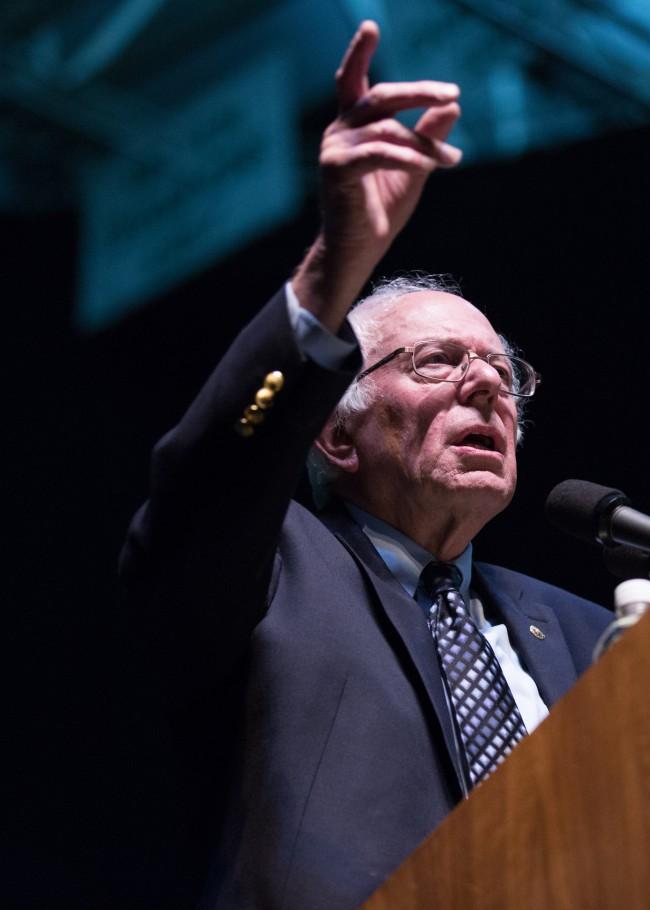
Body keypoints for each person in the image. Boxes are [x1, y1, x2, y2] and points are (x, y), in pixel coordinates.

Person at [121, 20, 609, 910]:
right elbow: (206, 485)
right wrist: (335, 263)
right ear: (335, 436)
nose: (487, 387)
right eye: (437, 364)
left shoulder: (589, 634)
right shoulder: (271, 573)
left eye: (503, 373)